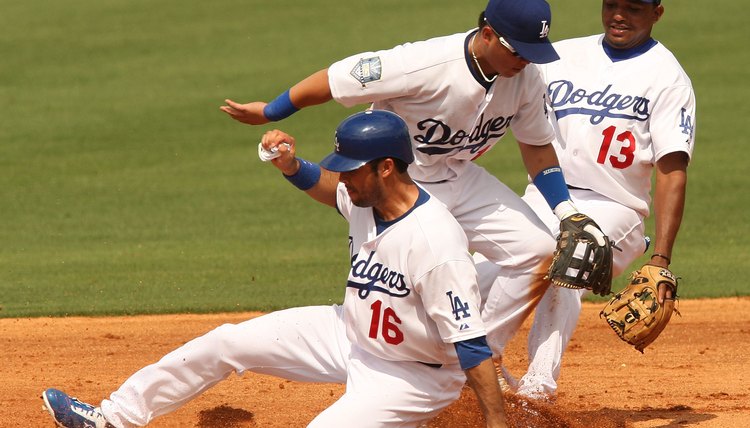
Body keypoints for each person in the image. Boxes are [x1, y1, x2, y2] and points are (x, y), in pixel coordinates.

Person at [41, 110, 509, 428]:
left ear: (386, 166)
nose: (344, 177)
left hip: (413, 374)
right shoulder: (368, 195)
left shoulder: (435, 242)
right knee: (227, 341)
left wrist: (495, 421)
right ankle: (114, 417)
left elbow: (470, 345)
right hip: (349, 333)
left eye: (352, 169)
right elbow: (330, 190)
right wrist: (289, 164)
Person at [220, 0, 608, 367]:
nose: (525, 61)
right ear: (488, 33)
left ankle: (477, 359)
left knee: (540, 251)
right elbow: (337, 79)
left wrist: (567, 211)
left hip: (462, 176)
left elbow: (538, 149)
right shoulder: (423, 63)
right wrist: (270, 110)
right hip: (404, 183)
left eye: (532, 52)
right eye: (518, 50)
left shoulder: (526, 77)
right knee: (409, 291)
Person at [496, 0, 695, 400]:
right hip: (547, 196)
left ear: (657, 13)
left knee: (573, 258)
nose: (619, 15)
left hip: (617, 209)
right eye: (611, 5)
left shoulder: (668, 78)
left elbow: (672, 169)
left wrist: (661, 260)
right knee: (491, 264)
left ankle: (538, 390)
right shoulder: (562, 57)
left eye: (634, 8)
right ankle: (480, 363)